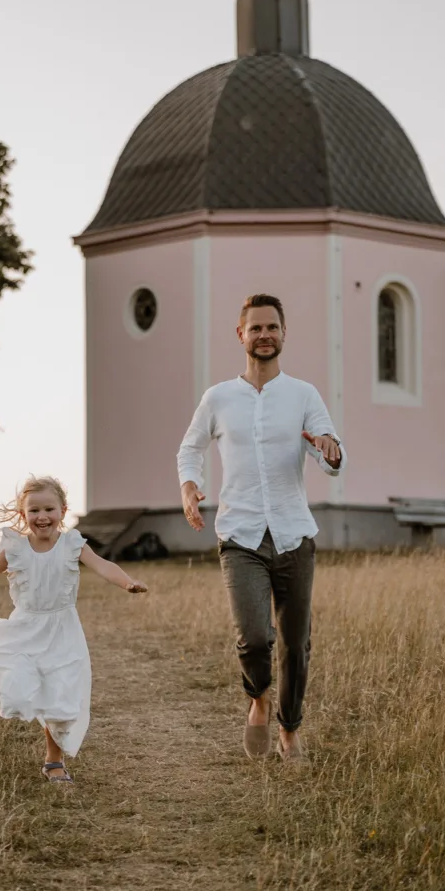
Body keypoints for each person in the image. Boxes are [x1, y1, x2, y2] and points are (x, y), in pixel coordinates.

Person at [177, 294, 346, 764]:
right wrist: (190, 488)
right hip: (240, 535)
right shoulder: (218, 398)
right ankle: (259, 698)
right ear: (241, 335)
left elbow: (329, 452)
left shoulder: (303, 394)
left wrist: (330, 450)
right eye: (255, 328)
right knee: (254, 636)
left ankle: (290, 730)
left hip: (294, 536)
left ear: (284, 334)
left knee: (296, 642)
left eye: (272, 327)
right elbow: (189, 450)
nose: (264, 335)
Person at [0, 476, 147, 785]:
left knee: (60, 696)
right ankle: (40, 732)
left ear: (63, 511)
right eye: (34, 511)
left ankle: (53, 762)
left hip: (63, 631)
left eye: (49, 509)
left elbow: (103, 566)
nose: (42, 517)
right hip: (25, 630)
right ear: (22, 515)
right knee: (19, 689)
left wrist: (127, 582)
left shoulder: (73, 544)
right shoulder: (15, 549)